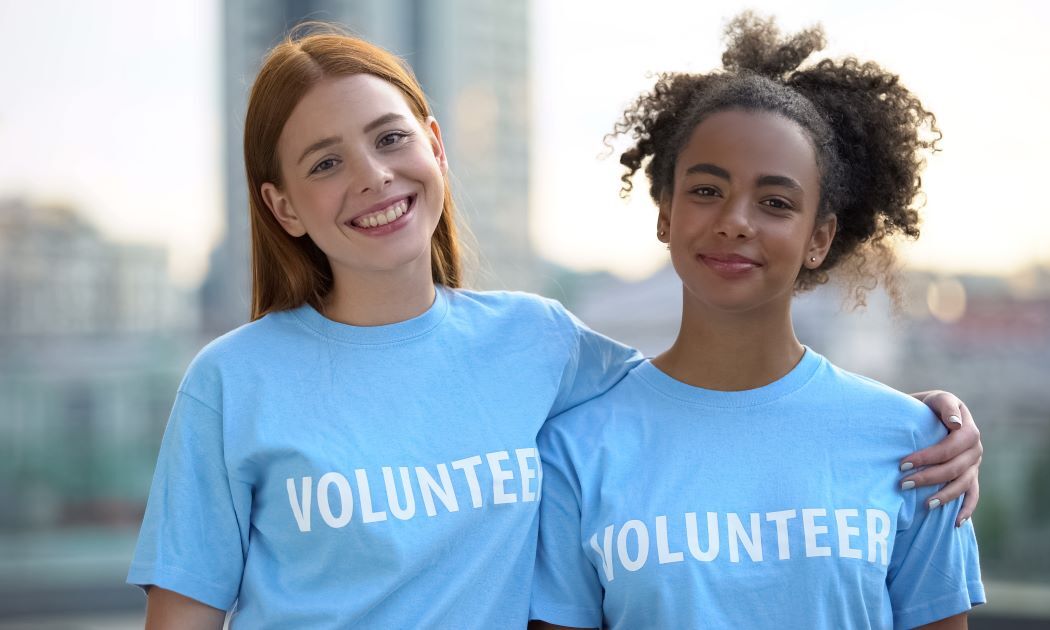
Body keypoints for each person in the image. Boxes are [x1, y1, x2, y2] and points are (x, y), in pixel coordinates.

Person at [126, 25, 981, 629]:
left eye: (391, 139)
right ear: (282, 206)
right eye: (325, 163)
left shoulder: (537, 343)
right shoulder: (233, 381)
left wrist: (925, 421)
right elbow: (184, 614)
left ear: (435, 146)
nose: (374, 177)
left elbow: (722, 382)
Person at [530, 13, 985, 630]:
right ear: (665, 214)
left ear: (819, 238)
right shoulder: (575, 451)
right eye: (706, 191)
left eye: (775, 203)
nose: (736, 220)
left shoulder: (917, 449)